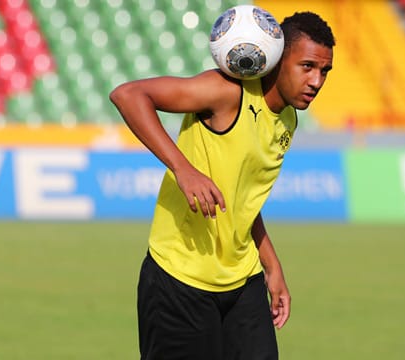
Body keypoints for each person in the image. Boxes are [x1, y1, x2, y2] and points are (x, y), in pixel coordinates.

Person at [110, 10, 335, 360]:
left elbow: (243, 201)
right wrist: (183, 169)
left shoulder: (288, 119)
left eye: (324, 71)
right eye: (307, 66)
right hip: (179, 281)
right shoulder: (227, 92)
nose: (317, 81)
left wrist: (273, 268)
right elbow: (128, 95)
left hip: (242, 283)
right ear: (275, 59)